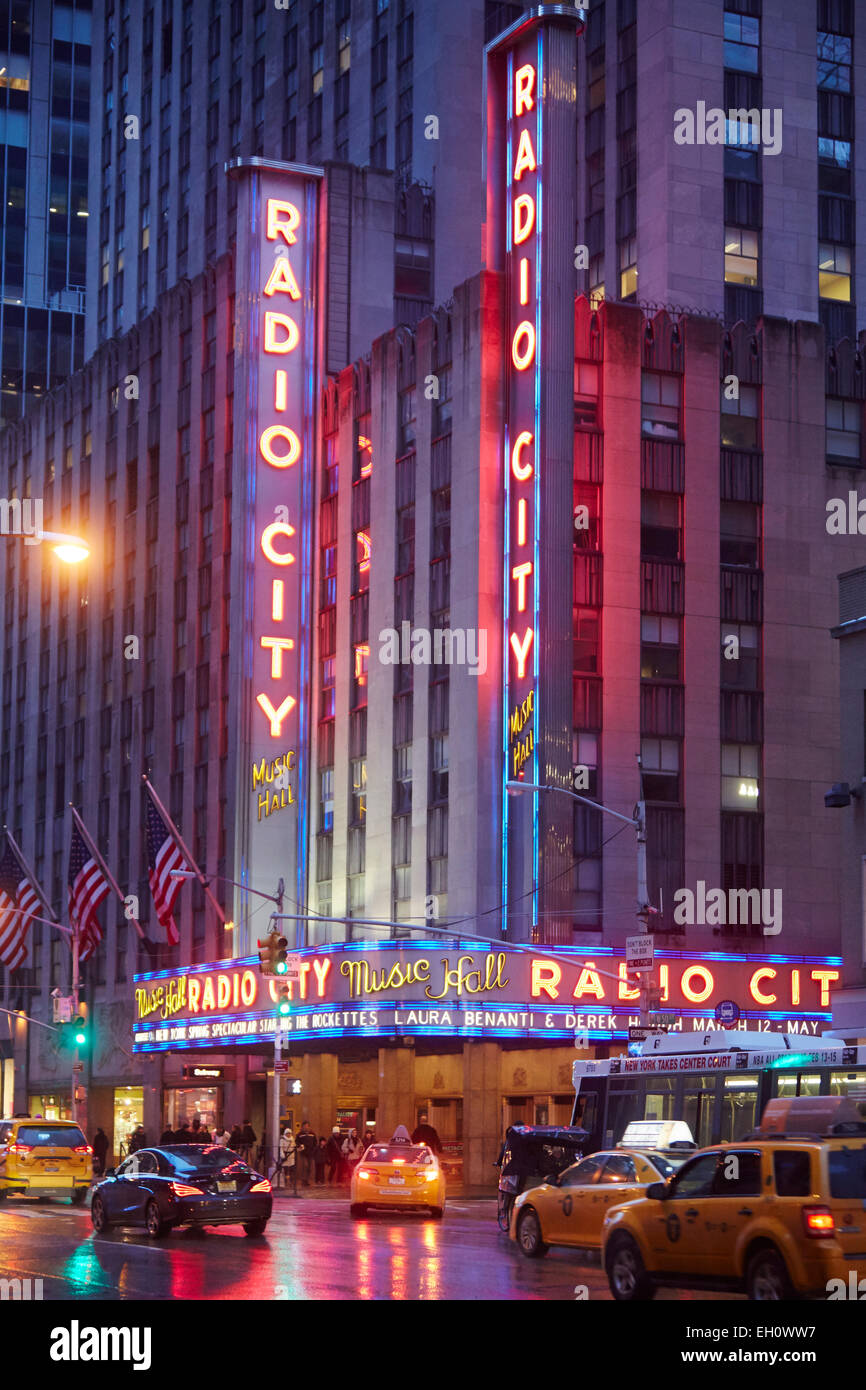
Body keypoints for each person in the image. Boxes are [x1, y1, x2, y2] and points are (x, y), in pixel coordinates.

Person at [277, 1127, 297, 1194]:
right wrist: (282, 1155)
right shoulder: (282, 1140)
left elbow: (294, 1147)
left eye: (289, 1133)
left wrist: (300, 1148)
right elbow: (281, 1148)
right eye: (287, 1133)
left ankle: (291, 1182)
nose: (288, 1135)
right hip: (285, 1156)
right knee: (286, 1169)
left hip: (291, 1156)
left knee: (291, 1169)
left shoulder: (292, 1139)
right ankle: (286, 1182)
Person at [295, 1122, 316, 1186]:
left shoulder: (312, 1134)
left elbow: (315, 1142)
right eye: (304, 1126)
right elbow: (297, 1142)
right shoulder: (300, 1134)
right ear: (302, 1127)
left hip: (310, 1153)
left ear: (309, 1127)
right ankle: (303, 1180)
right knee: (305, 1166)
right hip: (303, 1153)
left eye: (307, 1126)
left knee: (309, 1167)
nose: (306, 1127)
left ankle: (306, 1180)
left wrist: (313, 1150)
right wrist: (300, 1146)